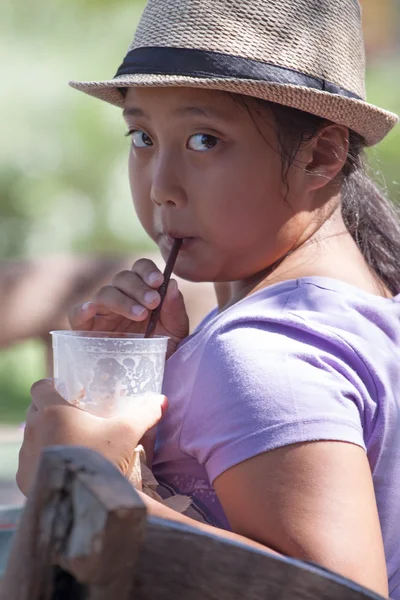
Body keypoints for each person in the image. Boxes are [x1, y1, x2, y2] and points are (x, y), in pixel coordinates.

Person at [17, 0, 400, 596]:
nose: (161, 187)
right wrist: (171, 371)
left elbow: (340, 591)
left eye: (204, 139)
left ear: (322, 155)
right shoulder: (364, 310)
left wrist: (91, 480)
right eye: (142, 136)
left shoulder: (262, 357)